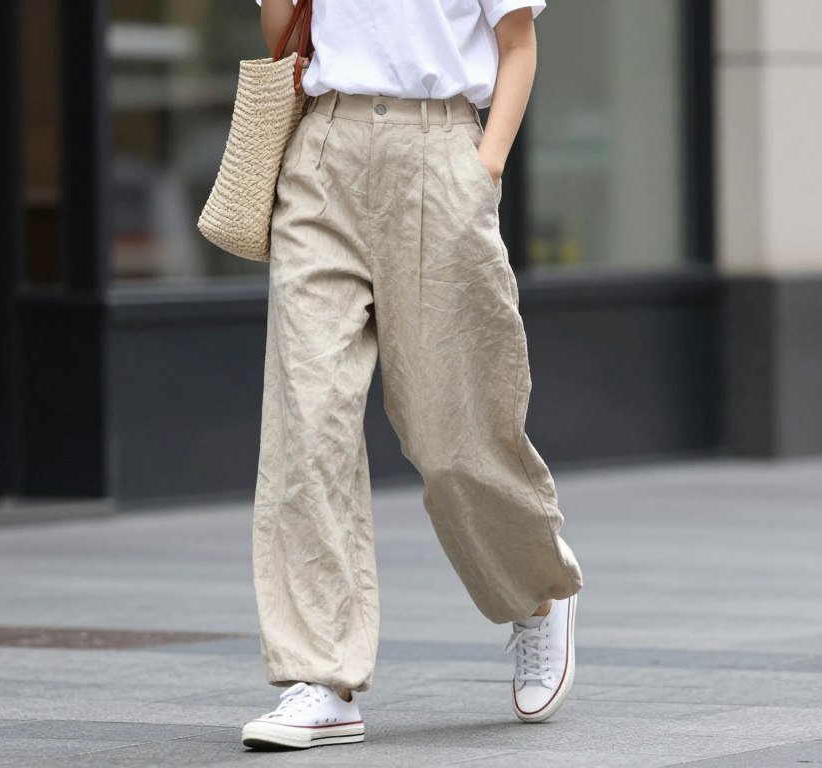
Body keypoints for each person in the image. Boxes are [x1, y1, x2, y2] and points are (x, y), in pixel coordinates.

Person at [241, 0, 584, 751]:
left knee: (451, 433)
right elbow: (281, 34)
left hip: (441, 153)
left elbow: (517, 47)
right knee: (307, 418)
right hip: (323, 151)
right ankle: (320, 678)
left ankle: (535, 591)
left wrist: (483, 168)